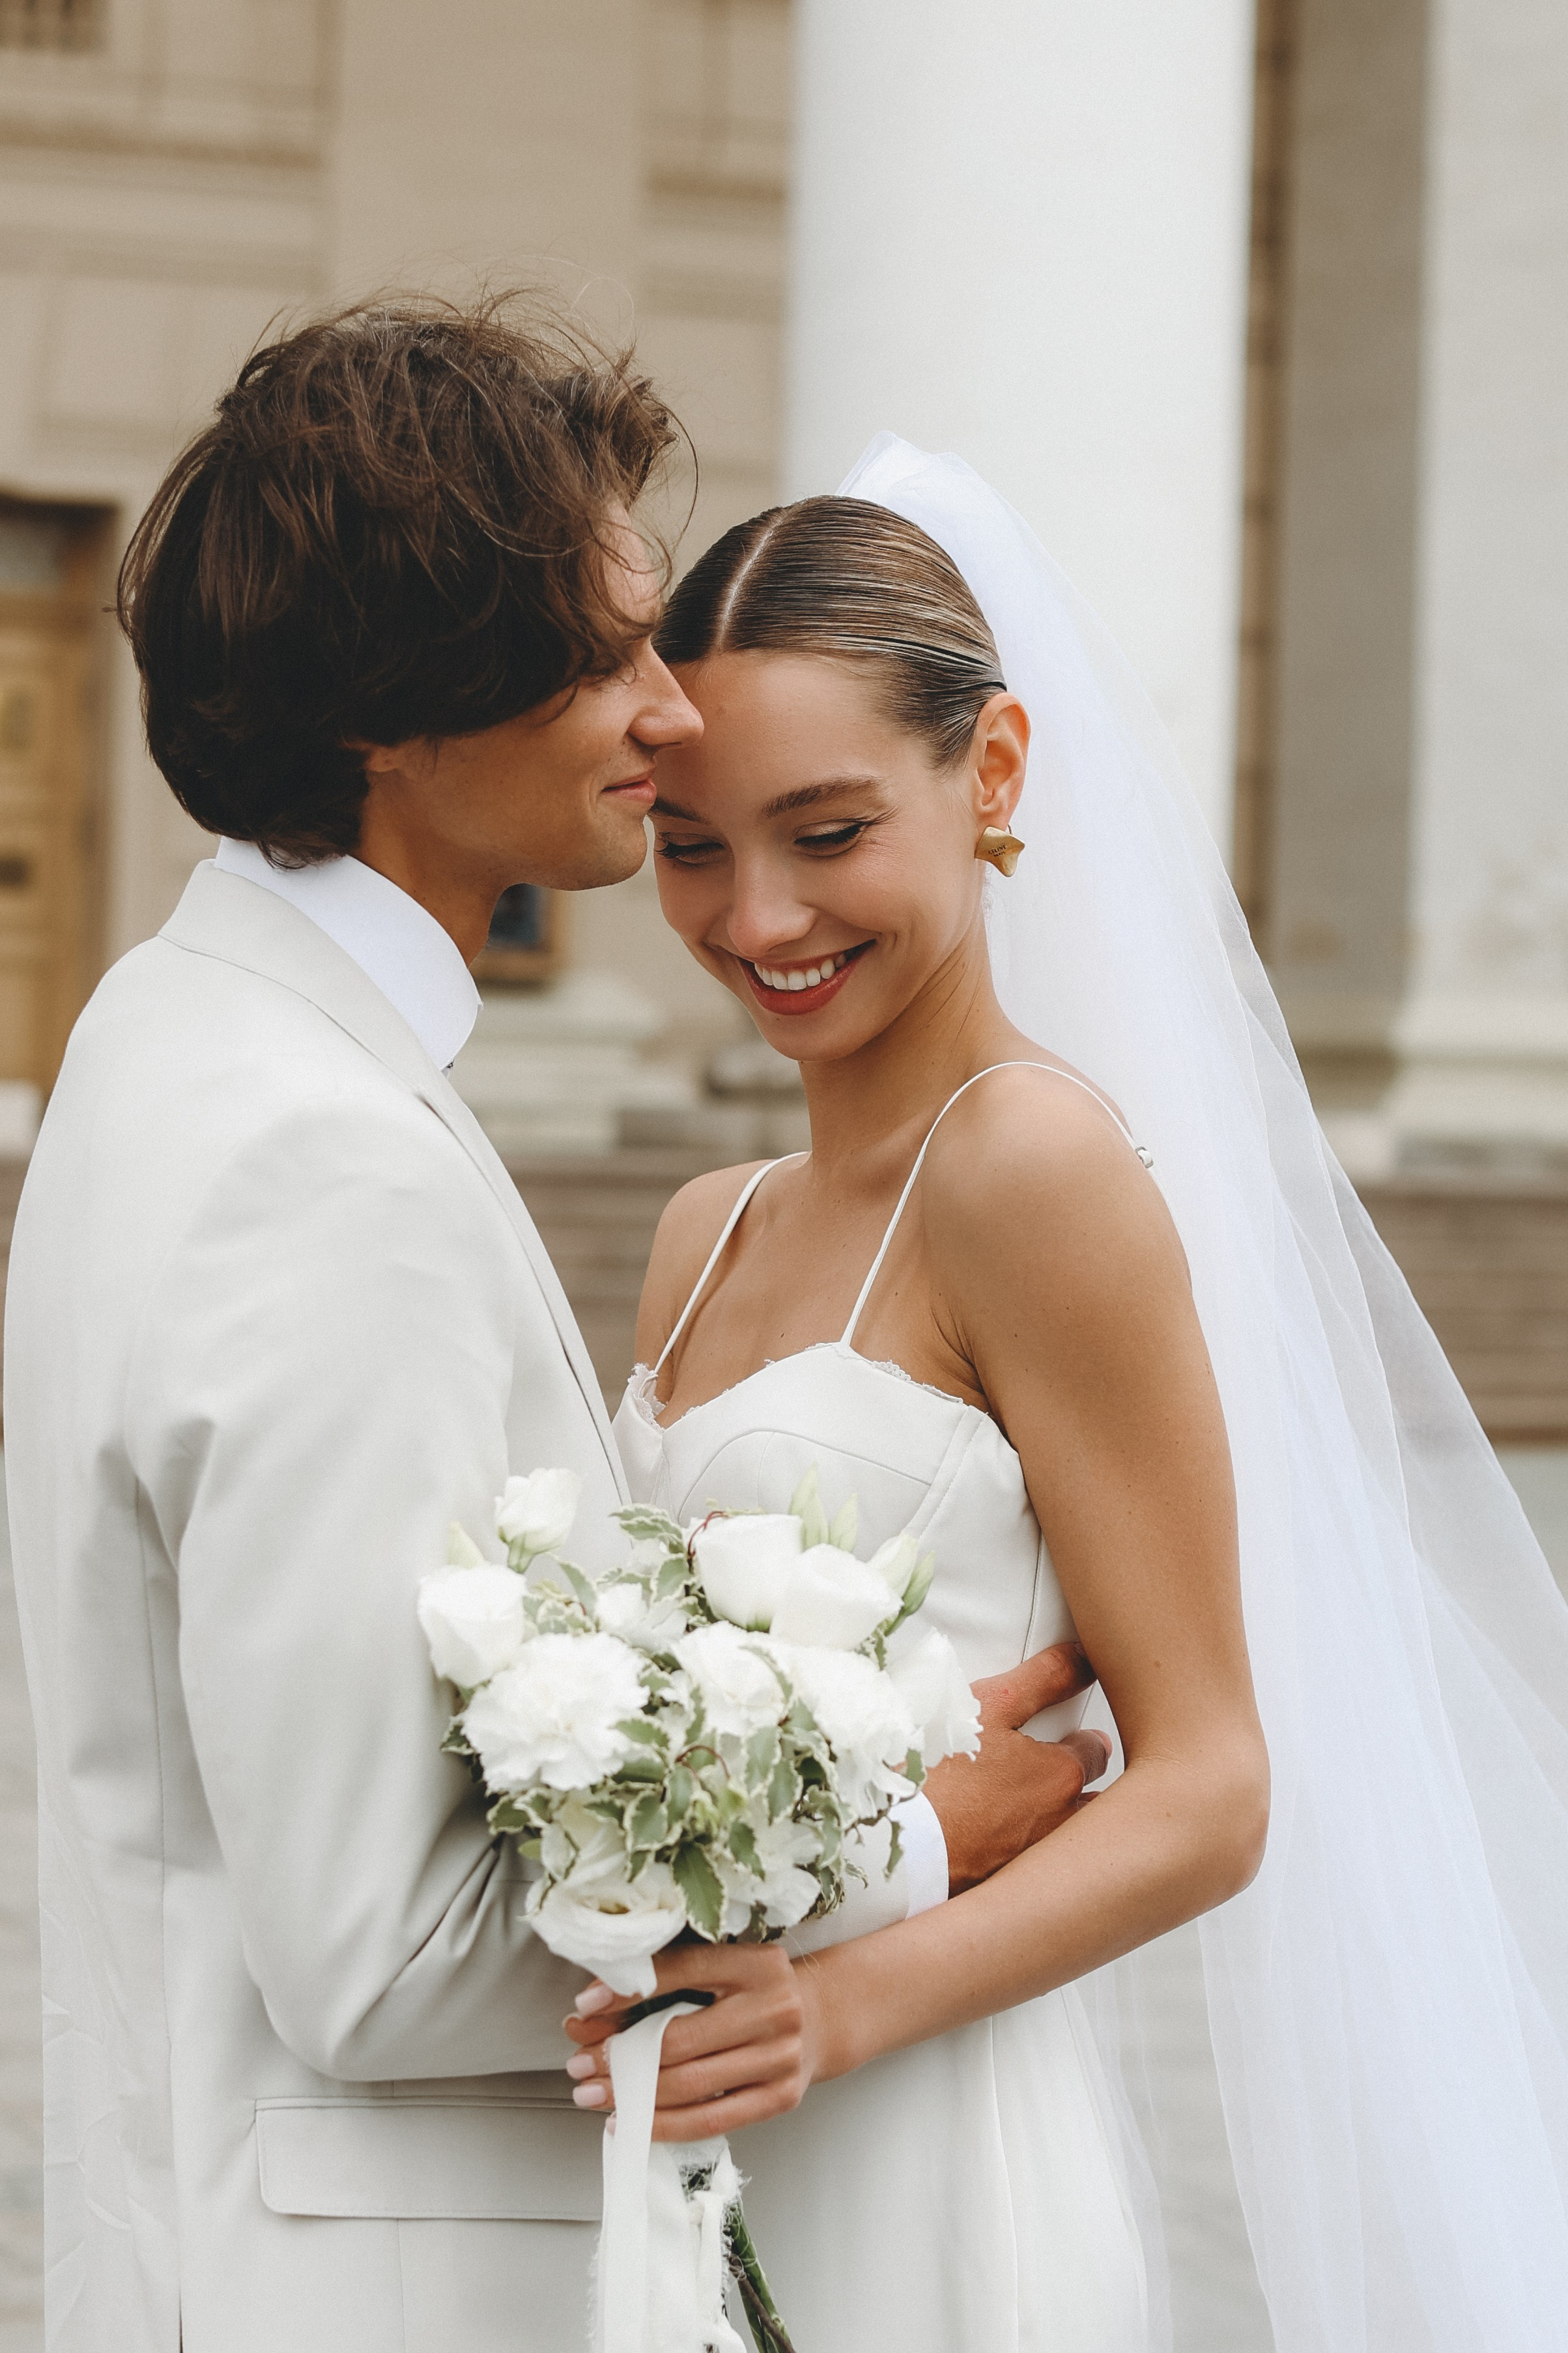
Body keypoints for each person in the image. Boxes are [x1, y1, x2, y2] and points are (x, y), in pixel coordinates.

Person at [3, 313, 1100, 2353]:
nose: (670, 711)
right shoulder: (316, 1164)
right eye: (605, 655)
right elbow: (378, 1947)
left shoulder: (167, 1035)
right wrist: (905, 1842)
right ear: (404, 717)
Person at [566, 442, 1568, 2352]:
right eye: (692, 845)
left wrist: (839, 2005)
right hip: (688, 2158)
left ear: (994, 773)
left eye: (829, 830)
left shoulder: (1030, 1168)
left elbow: (1206, 1785)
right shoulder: (705, 1226)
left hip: (933, 2151)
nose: (756, 914)